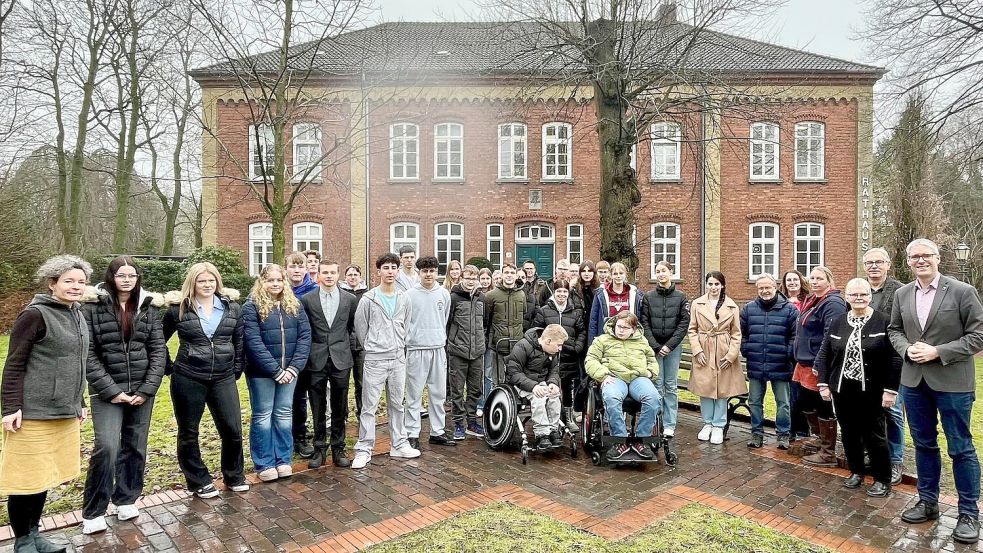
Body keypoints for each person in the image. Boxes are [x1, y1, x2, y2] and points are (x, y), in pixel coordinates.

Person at [889, 238, 983, 544]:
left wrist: (938, 352)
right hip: (914, 382)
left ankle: (968, 513)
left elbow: (978, 334)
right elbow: (894, 330)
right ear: (908, 261)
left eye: (925, 255)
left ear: (938, 258)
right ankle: (927, 501)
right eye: (914, 256)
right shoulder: (902, 293)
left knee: (961, 447)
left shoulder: (962, 292)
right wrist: (906, 350)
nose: (920, 260)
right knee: (924, 444)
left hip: (953, 383)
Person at [1, 255, 91, 553]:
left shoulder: (77, 313)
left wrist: (80, 401)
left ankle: (36, 533)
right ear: (52, 283)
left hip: (64, 412)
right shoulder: (35, 315)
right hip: (32, 413)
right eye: (68, 281)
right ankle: (22, 540)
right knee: (26, 478)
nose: (76, 286)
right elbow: (14, 364)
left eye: (80, 281)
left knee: (44, 476)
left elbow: (77, 363)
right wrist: (10, 408)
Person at [81, 257, 166, 535]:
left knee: (135, 445)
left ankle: (126, 498)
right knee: (107, 446)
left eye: (132, 275)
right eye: (121, 275)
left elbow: (158, 350)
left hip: (142, 390)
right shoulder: (92, 307)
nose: (127, 279)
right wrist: (112, 390)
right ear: (112, 277)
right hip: (107, 391)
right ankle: (94, 510)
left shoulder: (148, 307)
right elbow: (88, 354)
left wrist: (146, 389)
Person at [162, 262, 249, 498]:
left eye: (211, 280)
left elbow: (240, 341)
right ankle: (198, 480)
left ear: (217, 282)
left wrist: (236, 369)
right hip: (188, 376)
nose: (207, 285)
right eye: (202, 281)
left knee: (232, 429)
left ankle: (234, 475)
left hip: (223, 376)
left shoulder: (232, 308)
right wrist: (169, 367)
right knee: (189, 431)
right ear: (193, 283)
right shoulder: (177, 310)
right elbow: (158, 340)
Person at [816, 278, 900, 498]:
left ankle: (882, 479)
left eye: (863, 294)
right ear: (847, 297)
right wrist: (824, 384)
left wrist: (891, 390)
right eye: (854, 294)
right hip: (843, 389)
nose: (859, 298)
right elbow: (825, 353)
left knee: (875, 435)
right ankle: (856, 471)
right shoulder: (838, 322)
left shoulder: (883, 321)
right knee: (850, 432)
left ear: (870, 297)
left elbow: (894, 358)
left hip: (872, 390)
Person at [241, 264, 311, 480]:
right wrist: (275, 370)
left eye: (279, 280)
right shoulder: (251, 306)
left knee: (283, 414)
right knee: (263, 415)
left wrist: (293, 367)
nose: (275, 284)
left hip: (290, 371)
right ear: (262, 281)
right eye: (270, 280)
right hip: (262, 373)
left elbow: (304, 337)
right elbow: (253, 341)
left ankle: (283, 459)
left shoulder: (294, 305)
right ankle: (264, 463)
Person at [352, 253, 420, 469]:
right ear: (378, 271)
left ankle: (399, 443)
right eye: (386, 267)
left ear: (398, 271)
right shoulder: (368, 299)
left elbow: (405, 325)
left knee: (397, 404)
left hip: (398, 358)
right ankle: (364, 448)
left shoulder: (404, 298)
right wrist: (374, 346)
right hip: (375, 360)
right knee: (369, 406)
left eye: (394, 267)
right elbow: (361, 330)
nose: (390, 271)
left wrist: (397, 345)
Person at [299, 260, 357, 468]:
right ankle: (319, 447)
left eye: (333, 272)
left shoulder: (349, 300)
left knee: (340, 406)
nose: (329, 276)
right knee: (317, 405)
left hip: (341, 359)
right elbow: (305, 329)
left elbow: (350, 326)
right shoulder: (307, 299)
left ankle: (339, 447)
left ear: (338, 274)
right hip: (316, 358)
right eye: (325, 272)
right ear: (318, 275)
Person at [585, 311, 661, 460]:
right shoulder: (602, 340)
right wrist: (603, 375)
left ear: (633, 329)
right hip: (614, 377)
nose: (620, 330)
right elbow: (591, 360)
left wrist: (651, 373)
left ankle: (642, 440)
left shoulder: (642, 341)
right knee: (612, 398)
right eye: (618, 326)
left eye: (625, 328)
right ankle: (620, 441)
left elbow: (652, 360)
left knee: (653, 398)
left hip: (638, 378)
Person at [793, 266, 848, 466]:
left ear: (829, 281)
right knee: (806, 402)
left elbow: (830, 336)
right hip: (804, 362)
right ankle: (819, 438)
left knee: (822, 404)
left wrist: (821, 363)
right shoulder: (812, 300)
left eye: (819, 278)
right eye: (812, 278)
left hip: (817, 364)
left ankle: (827, 452)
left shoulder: (833, 303)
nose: (814, 281)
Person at [740, 274, 798, 450]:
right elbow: (742, 335)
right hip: (756, 362)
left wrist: (788, 353)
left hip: (781, 364)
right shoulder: (748, 309)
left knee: (783, 403)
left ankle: (783, 434)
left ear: (775, 287)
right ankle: (756, 433)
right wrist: (747, 349)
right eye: (761, 288)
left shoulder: (790, 310)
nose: (765, 291)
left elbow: (795, 336)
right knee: (755, 401)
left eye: (768, 287)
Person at [864, 247, 906, 484]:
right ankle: (875, 454)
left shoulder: (900, 291)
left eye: (878, 262)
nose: (874, 266)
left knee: (893, 412)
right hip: (865, 363)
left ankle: (896, 460)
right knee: (870, 413)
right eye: (869, 262)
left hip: (891, 360)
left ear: (888, 264)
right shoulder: (860, 290)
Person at [687, 271, 744, 445]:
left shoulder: (732, 306)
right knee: (705, 387)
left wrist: (731, 355)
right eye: (710, 284)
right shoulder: (697, 304)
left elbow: (736, 333)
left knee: (722, 389)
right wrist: (697, 350)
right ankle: (707, 423)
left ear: (722, 286)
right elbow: (692, 329)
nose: (713, 287)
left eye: (717, 284)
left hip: (723, 350)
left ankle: (719, 425)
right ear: (706, 285)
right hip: (704, 349)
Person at [404, 256, 454, 449]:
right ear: (419, 273)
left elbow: (444, 318)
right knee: (414, 393)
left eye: (432, 271)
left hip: (437, 349)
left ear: (437, 272)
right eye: (425, 271)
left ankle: (437, 431)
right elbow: (406, 321)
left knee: (438, 393)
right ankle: (412, 432)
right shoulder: (409, 295)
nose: (428, 274)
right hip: (416, 349)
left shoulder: (444, 294)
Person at [641, 261, 689, 444]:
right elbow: (644, 322)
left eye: (664, 271)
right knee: (656, 384)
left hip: (673, 348)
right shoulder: (648, 297)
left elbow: (683, 324)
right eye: (657, 271)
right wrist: (655, 345)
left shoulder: (681, 297)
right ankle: (655, 420)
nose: (661, 274)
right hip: (654, 347)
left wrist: (669, 345)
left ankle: (669, 424)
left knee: (670, 385)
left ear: (671, 272)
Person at [533, 279, 586, 433]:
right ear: (554, 293)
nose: (561, 294)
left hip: (569, 355)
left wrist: (577, 346)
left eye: (564, 292)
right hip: (549, 357)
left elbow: (581, 331)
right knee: (550, 387)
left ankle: (568, 417)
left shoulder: (575, 312)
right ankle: (550, 419)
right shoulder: (544, 311)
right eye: (559, 291)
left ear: (568, 293)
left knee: (568, 386)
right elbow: (538, 330)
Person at [505, 324, 568, 450]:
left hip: (542, 383)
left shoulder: (552, 351)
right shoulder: (522, 346)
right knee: (539, 397)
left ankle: (553, 430)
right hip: (521, 384)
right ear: (548, 341)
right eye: (559, 345)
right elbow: (514, 372)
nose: (560, 349)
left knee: (555, 396)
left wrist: (553, 383)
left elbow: (554, 371)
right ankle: (542, 434)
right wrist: (533, 386)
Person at [447, 265, 486, 440]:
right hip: (458, 351)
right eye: (468, 278)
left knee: (475, 389)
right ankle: (458, 424)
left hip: (477, 351)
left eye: (474, 278)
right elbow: (447, 322)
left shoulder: (482, 298)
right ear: (462, 278)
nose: (471, 281)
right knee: (457, 390)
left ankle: (472, 422)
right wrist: (451, 342)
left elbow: (485, 322)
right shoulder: (454, 298)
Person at [483, 262, 528, 386]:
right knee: (496, 380)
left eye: (512, 273)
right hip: (497, 345)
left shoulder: (521, 294)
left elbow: (523, 316)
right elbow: (486, 320)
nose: (509, 275)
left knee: (515, 379)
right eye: (506, 272)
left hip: (517, 345)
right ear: (501, 275)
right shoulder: (491, 296)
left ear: (516, 276)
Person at [780, 269, 810, 440]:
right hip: (786, 355)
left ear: (800, 282)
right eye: (788, 280)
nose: (792, 283)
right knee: (789, 394)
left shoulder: (809, 301)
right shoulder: (781, 302)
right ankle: (790, 429)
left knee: (803, 394)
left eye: (795, 279)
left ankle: (804, 430)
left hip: (803, 353)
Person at [588, 262, 646, 345]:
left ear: (625, 275)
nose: (618, 276)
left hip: (628, 338)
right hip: (606, 337)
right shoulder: (601, 293)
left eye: (621, 273)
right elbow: (593, 320)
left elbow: (639, 319)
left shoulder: (635, 294)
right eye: (615, 274)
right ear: (610, 275)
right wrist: (592, 343)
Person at [340, 263, 368, 417]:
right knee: (343, 382)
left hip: (362, 344)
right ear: (345, 277)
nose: (352, 277)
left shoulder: (367, 294)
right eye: (349, 275)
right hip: (344, 344)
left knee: (361, 381)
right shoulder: (340, 293)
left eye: (355, 275)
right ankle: (342, 414)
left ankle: (362, 413)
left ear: (360, 277)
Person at [476, 267, 495, 417]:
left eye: (487, 278)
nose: (485, 281)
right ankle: (477, 403)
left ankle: (486, 402)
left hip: (489, 341)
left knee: (488, 374)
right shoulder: (475, 295)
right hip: (476, 340)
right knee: (477, 374)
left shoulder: (493, 296)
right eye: (482, 278)